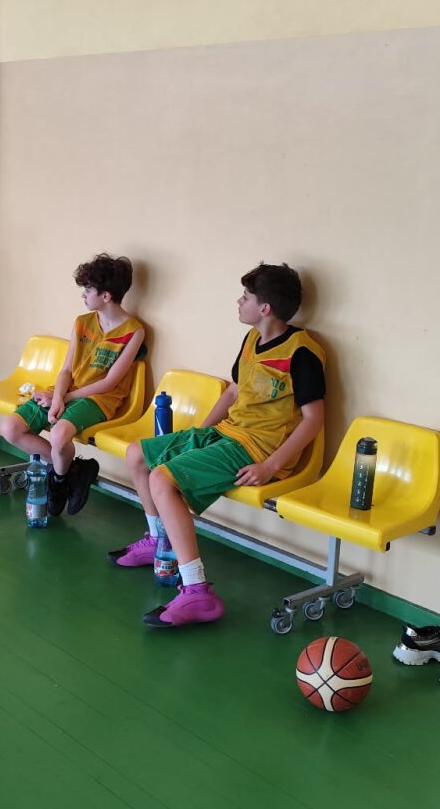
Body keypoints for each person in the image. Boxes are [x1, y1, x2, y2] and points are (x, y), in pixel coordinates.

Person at [110, 262, 326, 629]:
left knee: (162, 479)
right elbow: (233, 392)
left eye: (245, 297)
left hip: (258, 450)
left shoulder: (302, 353)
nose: (239, 302)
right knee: (138, 455)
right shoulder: (252, 339)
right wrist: (199, 434)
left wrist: (271, 466)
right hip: (227, 433)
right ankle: (159, 541)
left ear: (265, 308)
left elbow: (313, 420)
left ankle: (197, 591)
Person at [0, 254, 145, 518]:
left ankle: (57, 481)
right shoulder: (82, 322)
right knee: (10, 428)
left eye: (88, 289)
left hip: (99, 399)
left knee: (58, 436)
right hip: (67, 391)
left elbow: (109, 382)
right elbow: (66, 369)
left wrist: (63, 398)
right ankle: (74, 470)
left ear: (106, 296)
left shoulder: (134, 332)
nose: (83, 295)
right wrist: (57, 397)